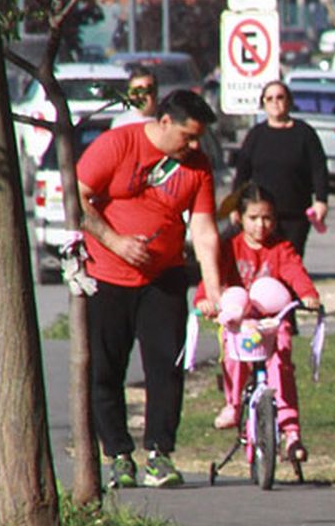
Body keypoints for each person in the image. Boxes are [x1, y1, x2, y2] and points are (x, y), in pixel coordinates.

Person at [76, 89, 224, 489]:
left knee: (166, 368)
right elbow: (78, 196)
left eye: (199, 139)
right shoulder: (118, 144)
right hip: (107, 276)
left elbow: (204, 229)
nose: (194, 146)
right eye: (188, 137)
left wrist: (214, 290)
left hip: (164, 278)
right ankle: (119, 456)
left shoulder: (198, 166)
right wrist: (115, 241)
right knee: (106, 369)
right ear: (164, 123)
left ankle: (160, 454)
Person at [193, 185, 321, 461]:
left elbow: (294, 271)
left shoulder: (281, 248)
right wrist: (204, 299)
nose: (261, 225)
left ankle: (290, 430)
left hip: (272, 325)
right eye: (253, 218)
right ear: (239, 218)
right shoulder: (230, 248)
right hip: (240, 324)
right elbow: (212, 278)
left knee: (282, 361)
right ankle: (234, 404)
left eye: (267, 218)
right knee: (232, 355)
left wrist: (308, 294)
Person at [232, 79, 329, 258]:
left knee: (290, 261)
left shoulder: (304, 133)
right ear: (263, 104)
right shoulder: (256, 135)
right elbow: (242, 173)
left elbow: (319, 169)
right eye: (269, 99)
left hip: (295, 214)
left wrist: (321, 200)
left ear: (289, 101)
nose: (275, 102)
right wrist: (234, 206)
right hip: (262, 215)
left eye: (280, 97)